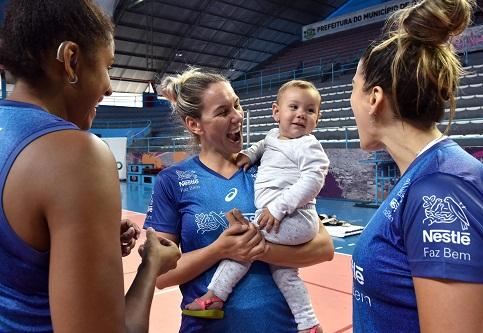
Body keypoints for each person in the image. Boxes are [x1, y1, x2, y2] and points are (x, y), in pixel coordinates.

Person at [0, 1, 181, 332]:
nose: (109, 87)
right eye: (107, 66)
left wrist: (78, 241)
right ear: (71, 60)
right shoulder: (77, 155)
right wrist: (151, 265)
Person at [144, 68, 334, 332]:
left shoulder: (268, 168)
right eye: (223, 112)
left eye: (237, 104)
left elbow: (324, 248)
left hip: (280, 326)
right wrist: (220, 249)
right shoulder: (172, 181)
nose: (237, 116)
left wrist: (259, 250)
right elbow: (160, 275)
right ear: (194, 124)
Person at [349, 0, 483, 332]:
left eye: (353, 90)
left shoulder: (444, 184)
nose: (350, 103)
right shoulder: (425, 175)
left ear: (374, 99)